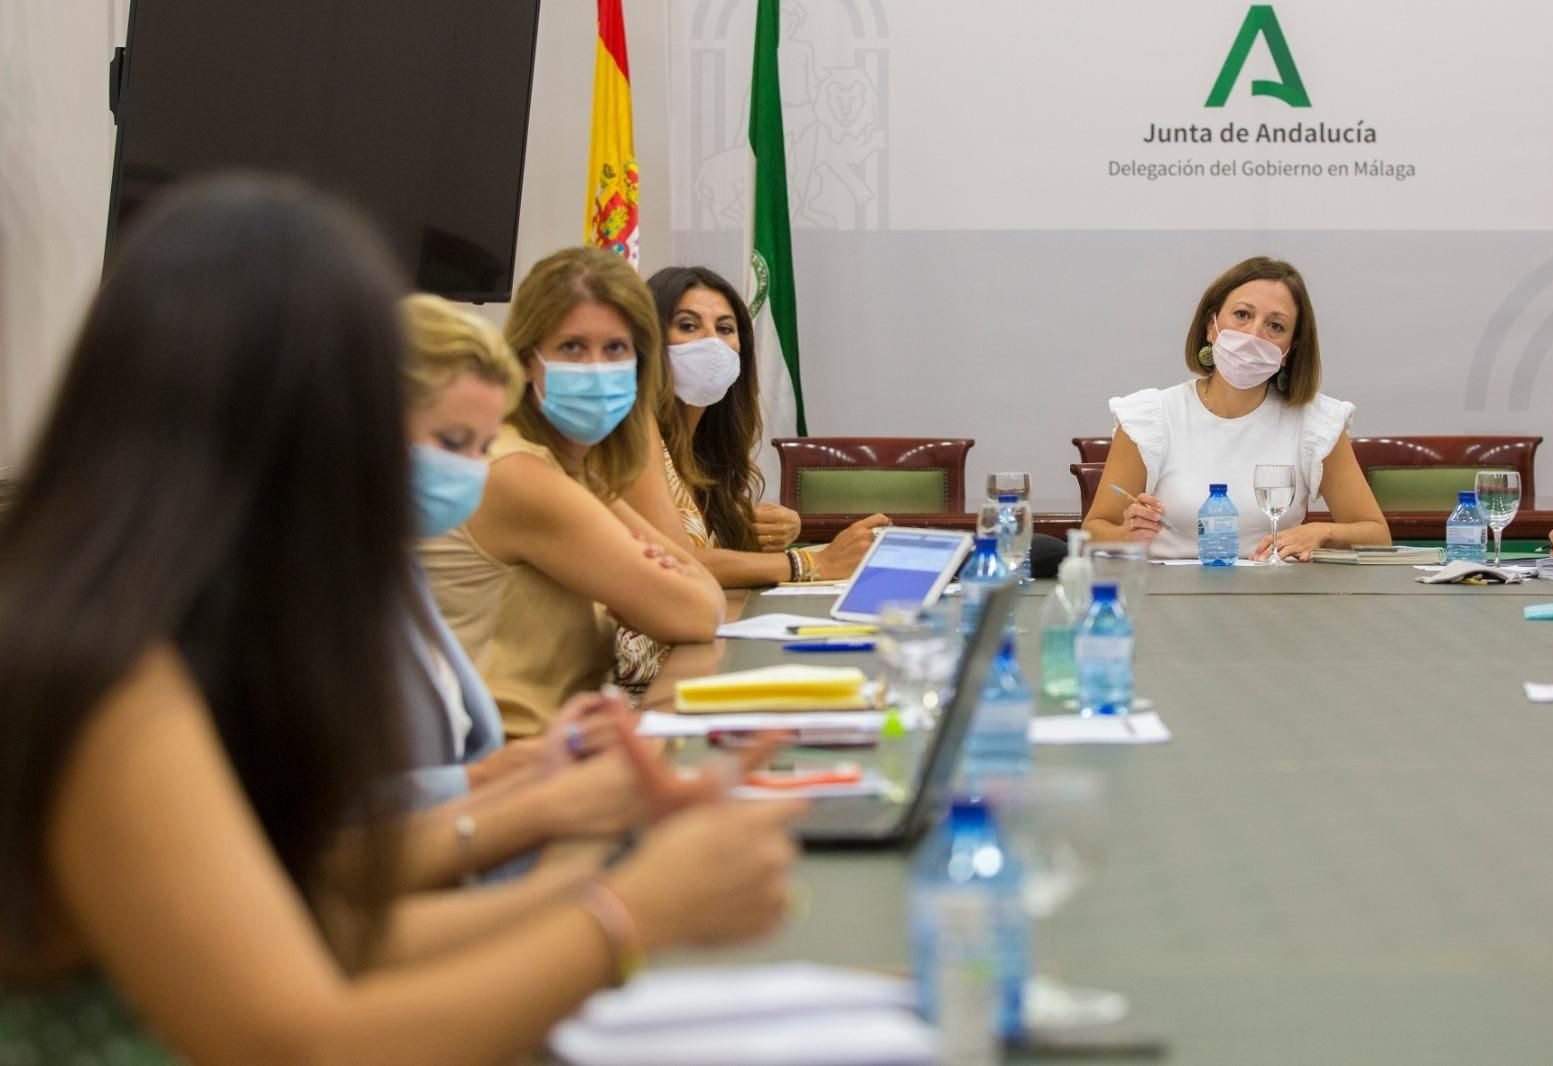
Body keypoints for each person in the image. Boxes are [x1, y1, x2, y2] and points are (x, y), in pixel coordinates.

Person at [0, 177, 800, 1063]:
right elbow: (302, 1040)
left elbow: (327, 931)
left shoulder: (178, 625)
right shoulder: (109, 683)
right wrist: (629, 911)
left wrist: (606, 860)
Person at [420, 247, 726, 735]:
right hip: (506, 769)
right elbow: (693, 611)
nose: (596, 369)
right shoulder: (519, 472)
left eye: (616, 350)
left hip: (553, 750)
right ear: (524, 362)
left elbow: (702, 592)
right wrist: (670, 578)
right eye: (572, 348)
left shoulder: (570, 469)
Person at [1081, 256, 1390, 561]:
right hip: (1167, 597)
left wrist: (1322, 533)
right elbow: (1092, 532)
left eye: (1275, 326)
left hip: (1277, 598)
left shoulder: (1315, 423)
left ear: (1288, 352)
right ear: (1211, 326)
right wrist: (1127, 534)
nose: (1254, 334)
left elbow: (1377, 534)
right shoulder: (1151, 416)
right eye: (1242, 314)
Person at [619, 264, 888, 586]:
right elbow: (677, 563)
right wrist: (811, 562)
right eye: (688, 326)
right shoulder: (633, 426)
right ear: (650, 339)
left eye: (725, 328)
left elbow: (712, 555)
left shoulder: (708, 442)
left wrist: (763, 530)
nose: (713, 343)